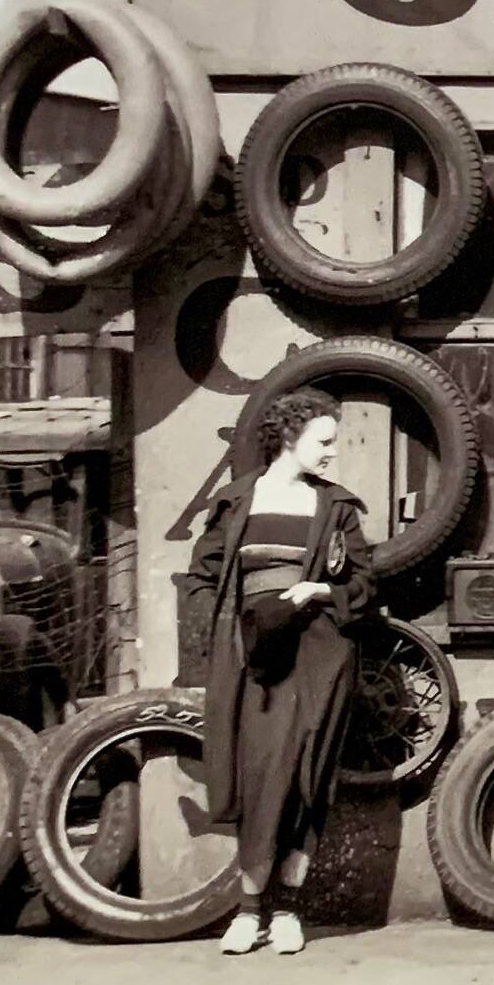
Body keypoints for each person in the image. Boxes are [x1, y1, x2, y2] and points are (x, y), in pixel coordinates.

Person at [182, 387, 373, 955]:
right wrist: (222, 636)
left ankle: (287, 910)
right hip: (254, 660)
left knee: (306, 776)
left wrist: (321, 589)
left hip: (318, 656)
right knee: (260, 774)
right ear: (289, 437)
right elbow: (202, 577)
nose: (332, 453)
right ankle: (248, 912)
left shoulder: (336, 508)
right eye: (324, 441)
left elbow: (364, 584)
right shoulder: (236, 502)